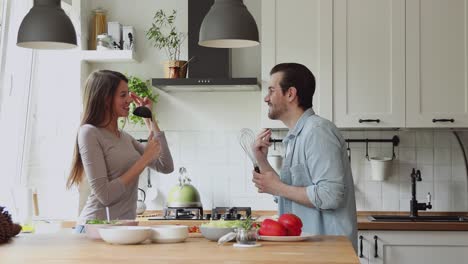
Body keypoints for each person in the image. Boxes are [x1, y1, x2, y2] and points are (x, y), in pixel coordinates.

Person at [252, 63, 357, 251]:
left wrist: (277, 187)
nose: (266, 98)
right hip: (308, 250)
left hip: (328, 252)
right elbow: (287, 193)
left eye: (271, 90)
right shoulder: (295, 138)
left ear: (290, 94)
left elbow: (330, 196)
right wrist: (262, 160)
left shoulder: (317, 131)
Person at [67, 70, 174, 224]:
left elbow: (166, 166)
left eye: (128, 94)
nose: (130, 100)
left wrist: (149, 118)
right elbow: (105, 195)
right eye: (123, 95)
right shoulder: (89, 133)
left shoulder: (125, 137)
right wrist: (144, 160)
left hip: (122, 229)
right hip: (96, 228)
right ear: (105, 99)